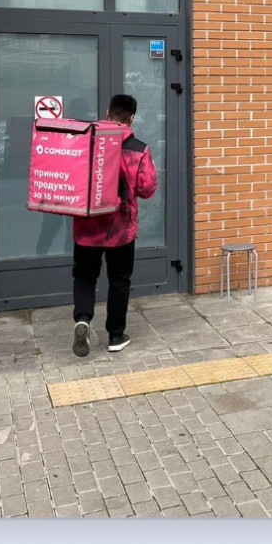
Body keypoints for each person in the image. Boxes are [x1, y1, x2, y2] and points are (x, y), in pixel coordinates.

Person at [71, 94, 158, 357]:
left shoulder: (85, 141)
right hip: (121, 229)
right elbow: (147, 189)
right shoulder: (138, 148)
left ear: (108, 113)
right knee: (119, 280)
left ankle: (83, 319)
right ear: (132, 118)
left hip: (86, 227)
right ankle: (115, 335)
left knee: (85, 276)